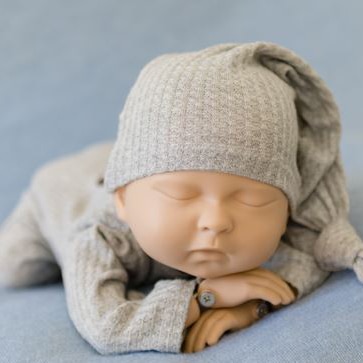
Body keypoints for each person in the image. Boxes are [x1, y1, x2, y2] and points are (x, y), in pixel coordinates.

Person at [0, 42, 362, 355]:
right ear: (124, 199)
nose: (216, 221)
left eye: (253, 200)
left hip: (150, 162)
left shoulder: (285, 216)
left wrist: (247, 310)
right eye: (180, 194)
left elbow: (313, 248)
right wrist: (207, 297)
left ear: (287, 208)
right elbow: (105, 324)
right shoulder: (100, 233)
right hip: (58, 193)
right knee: (13, 270)